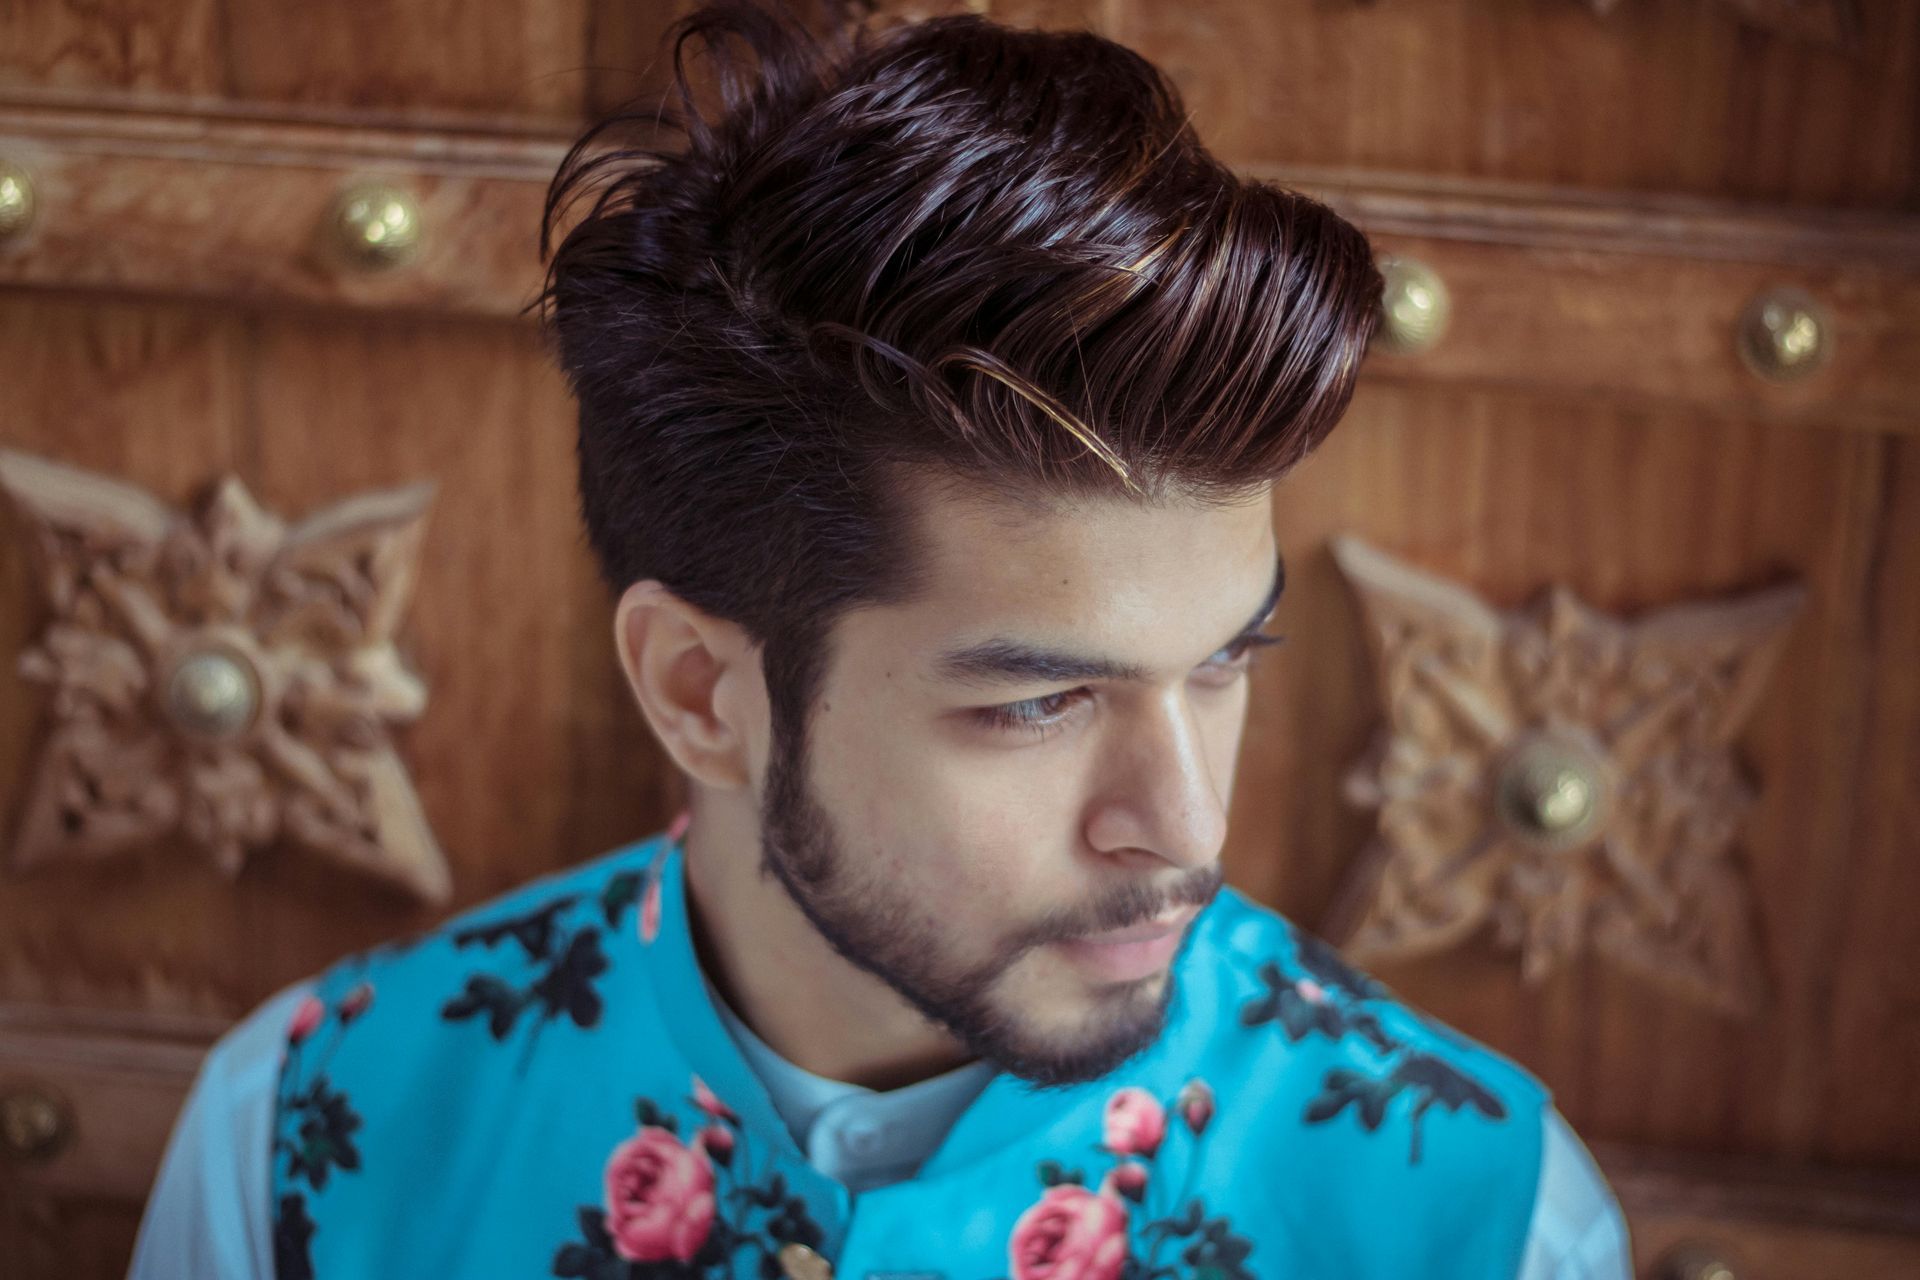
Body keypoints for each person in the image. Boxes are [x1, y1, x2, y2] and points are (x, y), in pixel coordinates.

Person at [130, 2, 1632, 1276]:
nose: (1184, 825)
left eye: (1226, 663)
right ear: (697, 693)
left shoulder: (1489, 1222)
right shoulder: (298, 1150)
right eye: (1041, 703)